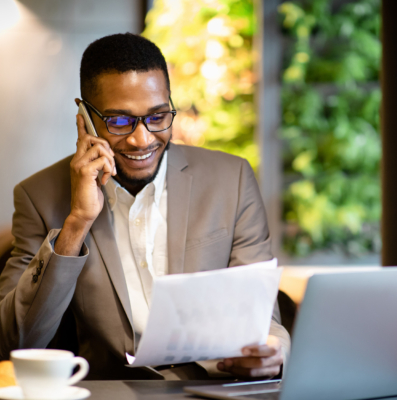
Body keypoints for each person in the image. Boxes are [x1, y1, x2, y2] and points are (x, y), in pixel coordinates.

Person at [0, 33, 290, 380]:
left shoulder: (233, 178)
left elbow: (263, 319)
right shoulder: (39, 196)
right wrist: (77, 223)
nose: (142, 139)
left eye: (157, 116)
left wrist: (275, 351)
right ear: (85, 117)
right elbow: (15, 340)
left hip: (217, 388)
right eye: (119, 121)